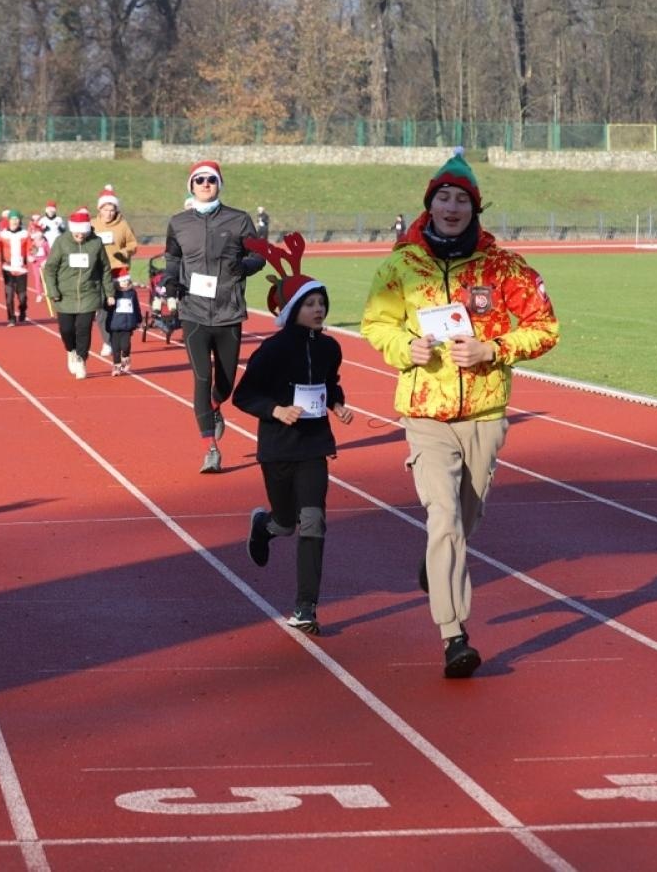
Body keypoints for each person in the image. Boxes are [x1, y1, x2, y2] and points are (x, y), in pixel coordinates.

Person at [360, 149, 560, 678]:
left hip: (485, 414)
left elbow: (545, 327)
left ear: (475, 207)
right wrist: (408, 349)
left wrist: (492, 348)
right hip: (426, 411)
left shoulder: (503, 268)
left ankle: (437, 568)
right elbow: (376, 325)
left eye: (461, 199)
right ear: (429, 205)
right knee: (443, 519)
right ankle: (455, 635)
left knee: (463, 521)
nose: (451, 207)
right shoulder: (401, 266)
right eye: (443, 198)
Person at [234, 234, 352, 635]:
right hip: (277, 447)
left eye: (321, 303)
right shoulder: (271, 351)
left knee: (313, 522)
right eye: (310, 304)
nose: (318, 310)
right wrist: (276, 410)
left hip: (314, 447)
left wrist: (337, 403)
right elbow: (243, 395)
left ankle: (306, 607)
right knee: (286, 522)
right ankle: (264, 526)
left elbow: (328, 383)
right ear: (291, 310)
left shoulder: (330, 348)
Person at [164, 160, 266, 473]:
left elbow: (259, 254)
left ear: (219, 184)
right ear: (191, 186)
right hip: (193, 310)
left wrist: (245, 267)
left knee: (224, 381)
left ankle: (216, 405)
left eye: (211, 180)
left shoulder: (238, 220)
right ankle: (210, 447)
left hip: (228, 310)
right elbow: (172, 256)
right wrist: (170, 283)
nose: (205, 184)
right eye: (199, 180)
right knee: (201, 377)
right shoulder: (179, 222)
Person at [45, 207, 114, 379]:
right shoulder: (61, 242)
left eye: (83, 233)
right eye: (77, 233)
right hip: (64, 295)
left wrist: (109, 293)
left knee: (83, 329)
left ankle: (81, 359)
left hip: (88, 294)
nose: (80, 236)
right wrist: (53, 291)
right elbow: (50, 268)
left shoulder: (96, 243)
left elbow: (105, 269)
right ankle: (71, 351)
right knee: (67, 330)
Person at [92, 185, 139, 355]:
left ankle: (123, 337)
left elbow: (133, 244)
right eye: (106, 209)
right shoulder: (93, 225)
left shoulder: (123, 225)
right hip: (99, 272)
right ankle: (107, 341)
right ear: (100, 209)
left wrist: (125, 252)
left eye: (112, 210)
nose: (109, 213)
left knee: (121, 307)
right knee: (103, 310)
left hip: (120, 271)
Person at [0, 210, 31, 325]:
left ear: (19, 221)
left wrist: (33, 254)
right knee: (9, 295)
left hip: (21, 268)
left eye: (17, 219)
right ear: (9, 221)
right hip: (8, 267)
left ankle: (22, 311)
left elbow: (30, 247)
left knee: (22, 297)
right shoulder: (3, 234)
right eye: (12, 219)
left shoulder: (25, 234)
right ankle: (11, 318)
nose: (15, 221)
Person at [105, 268, 143, 375]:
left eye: (127, 280)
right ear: (117, 282)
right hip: (114, 325)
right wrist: (108, 302)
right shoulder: (113, 294)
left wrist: (139, 319)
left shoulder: (132, 293)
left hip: (127, 325)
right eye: (122, 281)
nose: (125, 283)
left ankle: (126, 357)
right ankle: (116, 366)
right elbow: (106, 307)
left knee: (125, 345)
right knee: (115, 348)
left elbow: (136, 307)